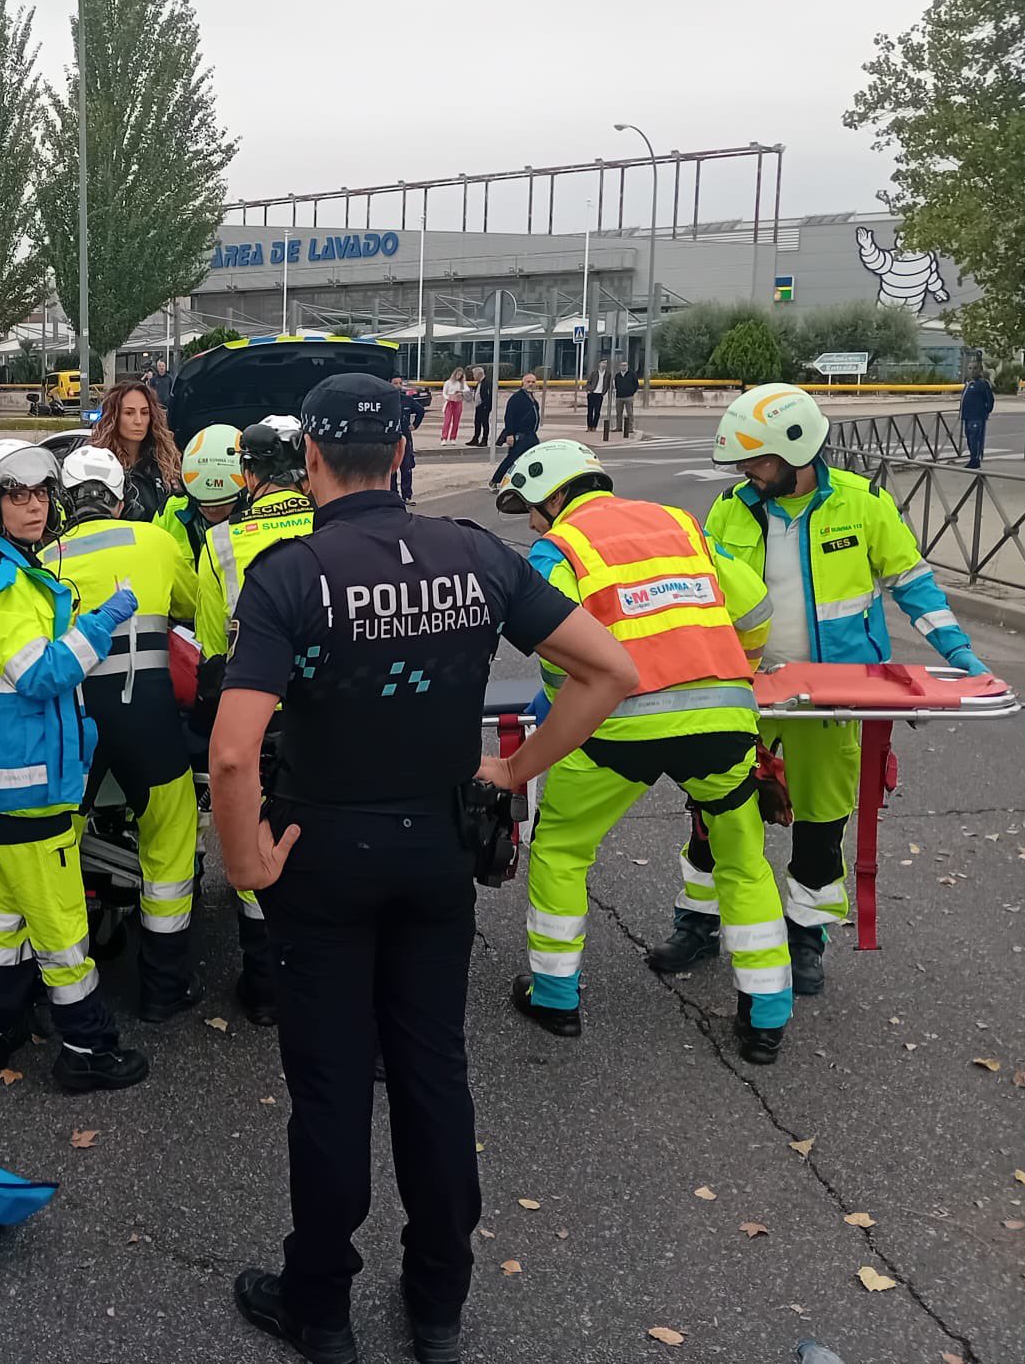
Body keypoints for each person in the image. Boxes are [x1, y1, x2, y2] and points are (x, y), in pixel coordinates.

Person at [211, 375, 632, 1364]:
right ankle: (438, 1305)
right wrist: (513, 771)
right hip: (439, 850)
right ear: (402, 455)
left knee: (329, 1089)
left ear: (310, 461)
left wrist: (246, 861)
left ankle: (320, 1306)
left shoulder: (289, 573)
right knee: (435, 1076)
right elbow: (611, 669)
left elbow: (234, 753)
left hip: (320, 856)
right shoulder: (477, 554)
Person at [659, 384, 988, 995]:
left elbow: (913, 585)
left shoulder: (864, 506)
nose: (747, 472)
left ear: (798, 449)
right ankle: (698, 921)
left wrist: (959, 656)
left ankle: (806, 935)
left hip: (835, 697)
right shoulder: (731, 507)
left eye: (757, 461)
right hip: (746, 691)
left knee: (820, 823)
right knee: (714, 814)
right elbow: (698, 596)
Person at [497, 440, 792, 1063]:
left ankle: (555, 998)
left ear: (556, 496)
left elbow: (559, 651)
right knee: (743, 860)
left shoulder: (561, 549)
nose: (529, 522)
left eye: (529, 507)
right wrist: (740, 674)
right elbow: (755, 605)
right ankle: (765, 1015)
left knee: (562, 849)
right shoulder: (681, 525)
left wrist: (565, 714)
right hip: (722, 723)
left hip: (616, 730)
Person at [0, 440, 150, 1091]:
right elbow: (41, 674)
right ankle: (87, 1051)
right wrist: (105, 619)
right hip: (29, 790)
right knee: (62, 933)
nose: (35, 506)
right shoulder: (4, 583)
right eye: (18, 496)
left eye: (42, 494)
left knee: (3, 922)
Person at [44, 446, 202, 1021]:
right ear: (119, 498)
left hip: (76, 721)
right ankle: (164, 987)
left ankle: (65, 983)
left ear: (64, 499)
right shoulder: (157, 542)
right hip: (149, 716)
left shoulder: (44, 557)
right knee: (169, 839)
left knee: (59, 846)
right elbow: (189, 603)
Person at [195, 415, 314, 1026]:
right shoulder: (333, 523)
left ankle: (266, 986)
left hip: (260, 715)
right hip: (331, 712)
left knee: (258, 835)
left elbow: (217, 652)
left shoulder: (220, 543)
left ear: (247, 474)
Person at [88, 379, 183, 521]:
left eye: (144, 413)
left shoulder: (165, 463)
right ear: (114, 417)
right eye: (129, 413)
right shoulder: (97, 466)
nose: (138, 421)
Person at [157, 423, 244, 562]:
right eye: (202, 502)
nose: (212, 508)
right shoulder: (170, 513)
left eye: (222, 502)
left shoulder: (262, 516)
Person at [490, 372, 541, 487]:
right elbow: (509, 417)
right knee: (511, 459)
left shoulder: (532, 400)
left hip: (531, 435)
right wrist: (510, 434)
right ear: (523, 383)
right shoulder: (517, 398)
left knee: (536, 458)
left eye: (533, 382)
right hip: (519, 435)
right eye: (528, 382)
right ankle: (495, 481)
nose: (531, 384)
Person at [391, 374, 427, 505]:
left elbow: (420, 411)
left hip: (405, 438)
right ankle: (393, 495)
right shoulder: (386, 400)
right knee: (391, 469)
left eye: (400, 383)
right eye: (395, 383)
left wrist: (415, 425)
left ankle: (407, 495)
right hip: (390, 439)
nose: (398, 386)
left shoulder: (407, 400)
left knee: (406, 467)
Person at [961, 360, 995, 469]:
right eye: (970, 368)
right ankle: (972, 458)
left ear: (980, 370)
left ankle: (975, 460)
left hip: (977, 417)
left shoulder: (983, 384)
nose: (972, 371)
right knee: (969, 439)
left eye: (975, 368)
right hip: (967, 416)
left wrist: (985, 412)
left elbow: (990, 399)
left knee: (975, 438)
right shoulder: (968, 384)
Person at [439, 367, 468, 443]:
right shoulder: (448, 382)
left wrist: (460, 391)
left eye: (460, 375)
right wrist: (448, 398)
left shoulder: (462, 383)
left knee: (456, 421)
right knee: (447, 421)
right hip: (450, 402)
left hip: (458, 402)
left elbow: (467, 389)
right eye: (458, 374)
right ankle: (444, 438)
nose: (459, 376)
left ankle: (453, 438)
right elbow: (444, 392)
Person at [586, 355, 612, 433]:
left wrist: (604, 392)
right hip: (592, 393)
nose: (604, 364)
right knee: (590, 411)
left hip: (599, 394)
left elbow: (608, 384)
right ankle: (589, 426)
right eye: (603, 363)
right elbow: (588, 382)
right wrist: (589, 389)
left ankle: (594, 426)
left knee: (597, 411)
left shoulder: (608, 374)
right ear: (599, 364)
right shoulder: (594, 373)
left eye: (606, 363)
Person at [614, 356, 639, 436]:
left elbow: (636, 385)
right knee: (618, 413)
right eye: (622, 365)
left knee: (630, 413)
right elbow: (616, 385)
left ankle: (630, 428)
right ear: (620, 367)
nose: (623, 367)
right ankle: (619, 427)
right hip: (619, 397)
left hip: (629, 396)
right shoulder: (617, 375)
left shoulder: (632, 374)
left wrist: (632, 392)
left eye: (625, 365)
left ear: (627, 366)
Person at [467, 366, 492, 448]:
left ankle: (484, 440)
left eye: (474, 375)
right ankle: (475, 438)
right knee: (477, 422)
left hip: (484, 406)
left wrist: (484, 404)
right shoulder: (479, 383)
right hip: (478, 406)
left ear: (479, 374)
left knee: (484, 423)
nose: (473, 377)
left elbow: (489, 396)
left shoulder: (487, 382)